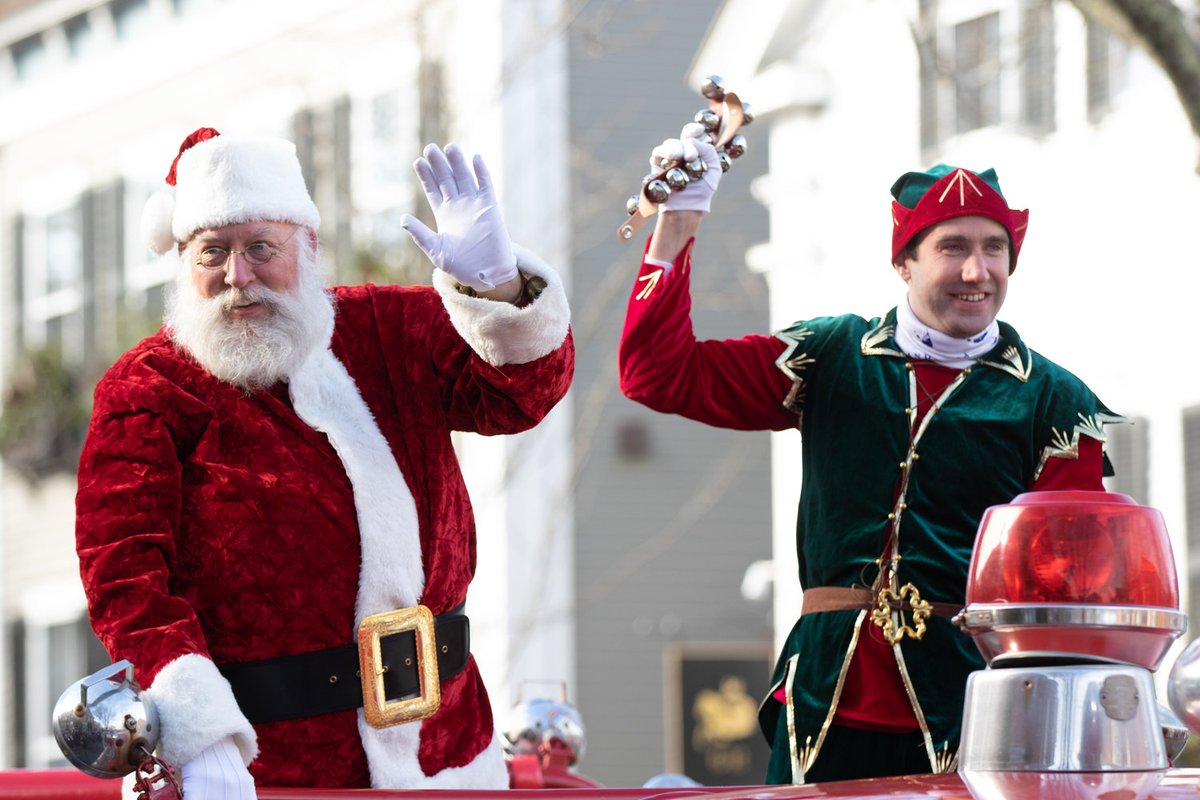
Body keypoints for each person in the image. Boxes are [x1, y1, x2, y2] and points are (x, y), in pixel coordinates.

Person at [74, 127, 573, 796]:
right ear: (183, 265)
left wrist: (499, 289)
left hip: (452, 751)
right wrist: (201, 737)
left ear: (305, 247)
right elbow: (127, 581)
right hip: (271, 770)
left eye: (259, 248)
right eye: (212, 253)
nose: (237, 276)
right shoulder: (147, 390)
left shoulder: (387, 329)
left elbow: (519, 398)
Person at [618, 128, 1121, 784]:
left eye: (994, 249)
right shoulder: (831, 356)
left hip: (974, 714)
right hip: (825, 700)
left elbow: (1073, 597)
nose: (978, 272)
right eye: (953, 249)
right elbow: (657, 375)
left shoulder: (1056, 403)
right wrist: (677, 228)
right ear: (904, 263)